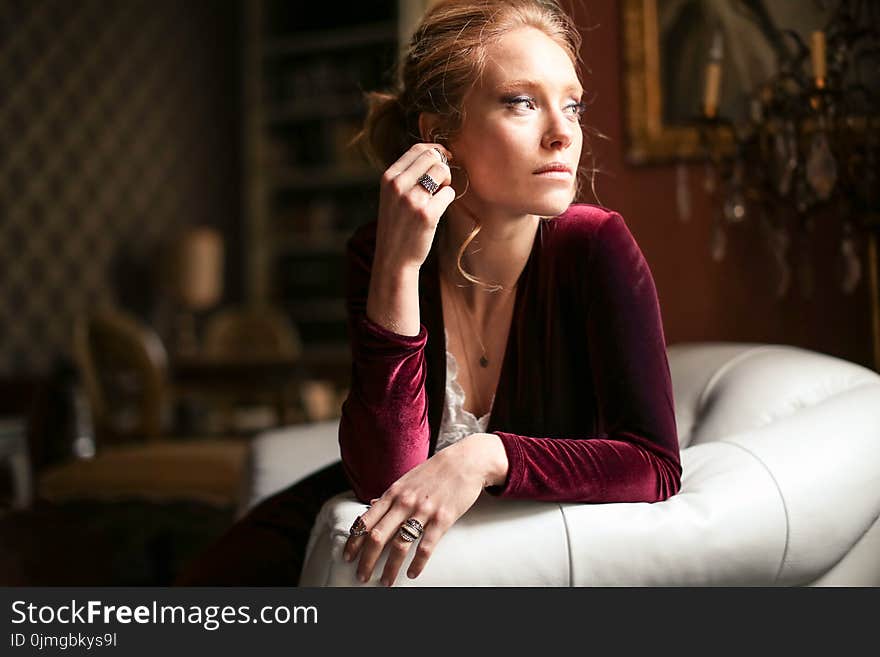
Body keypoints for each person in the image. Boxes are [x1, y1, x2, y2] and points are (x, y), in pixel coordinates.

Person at [174, 0, 681, 588]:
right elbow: (384, 475)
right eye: (522, 102)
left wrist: (488, 456)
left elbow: (655, 464)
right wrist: (399, 262)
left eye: (572, 104)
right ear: (441, 136)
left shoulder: (596, 247)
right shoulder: (378, 250)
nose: (564, 133)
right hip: (325, 526)